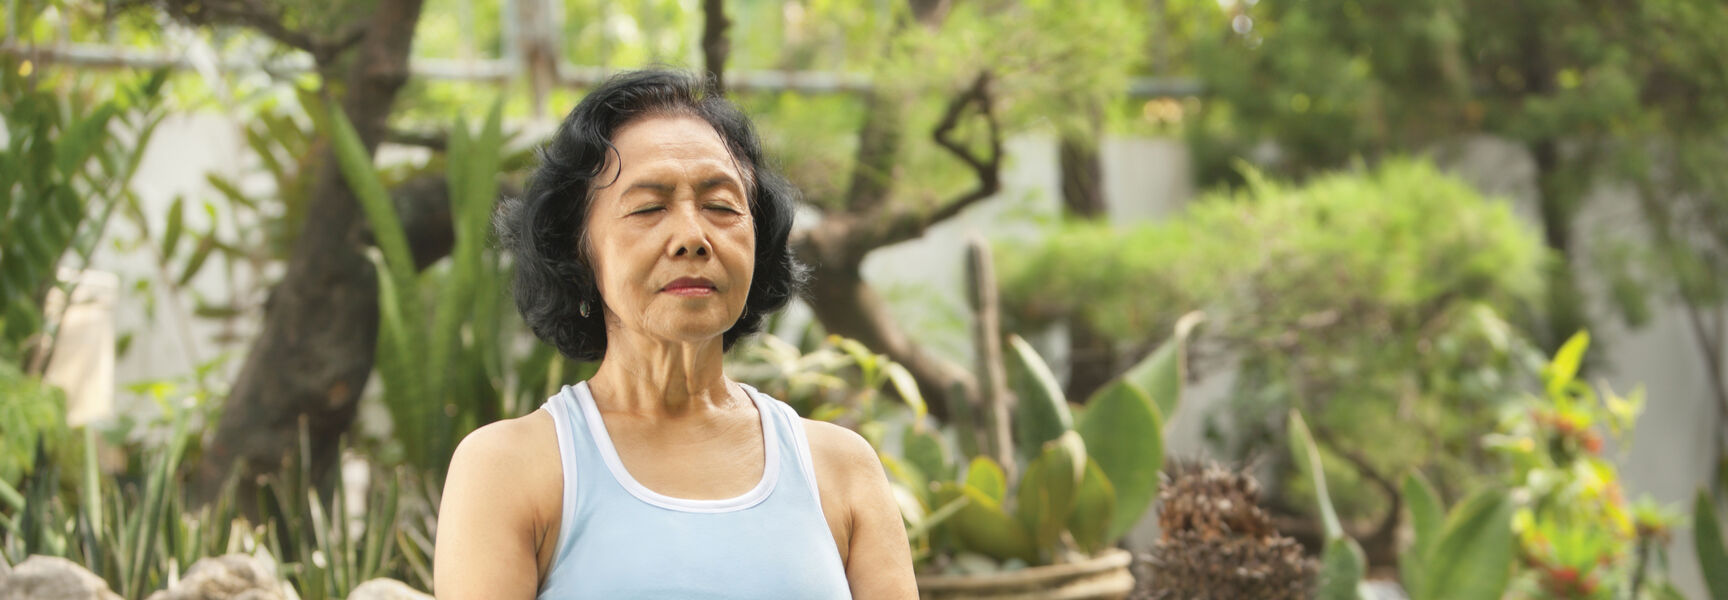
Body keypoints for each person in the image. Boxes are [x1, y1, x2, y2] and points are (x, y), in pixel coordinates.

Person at [433, 68, 917, 599]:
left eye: (721, 207)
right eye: (648, 207)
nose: (692, 236)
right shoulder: (512, 468)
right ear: (578, 246)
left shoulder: (841, 469)